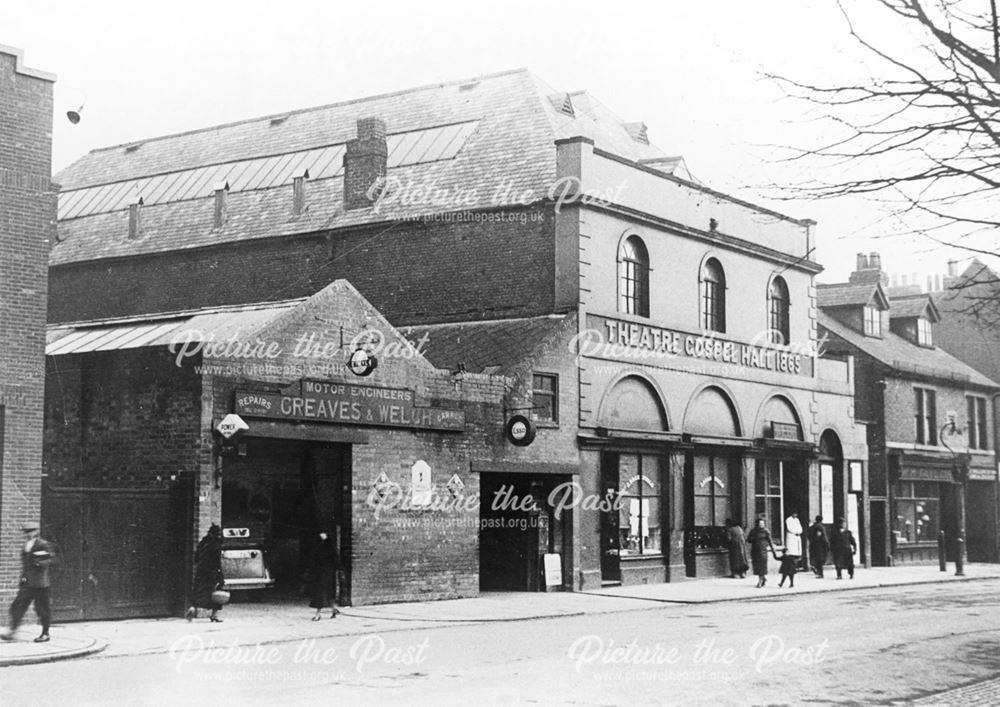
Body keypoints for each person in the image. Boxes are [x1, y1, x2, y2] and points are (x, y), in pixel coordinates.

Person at [1, 521, 55, 643]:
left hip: (40, 584)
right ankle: (12, 631)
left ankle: (45, 633)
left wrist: (38, 561)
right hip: (27, 583)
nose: (27, 534)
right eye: (26, 532)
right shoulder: (27, 545)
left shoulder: (43, 544)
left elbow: (47, 561)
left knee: (42, 609)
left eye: (30, 531)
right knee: (17, 606)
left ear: (36, 531)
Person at [186, 524, 225, 622]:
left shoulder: (203, 543)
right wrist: (220, 575)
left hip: (201, 571)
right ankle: (214, 615)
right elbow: (217, 562)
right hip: (212, 572)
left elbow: (196, 558)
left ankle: (192, 608)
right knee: (217, 592)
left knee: (199, 591)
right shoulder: (216, 545)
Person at [308, 527, 340, 620]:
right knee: (325, 593)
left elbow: (335, 560)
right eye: (321, 533)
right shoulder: (318, 545)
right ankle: (333, 610)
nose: (322, 535)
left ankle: (318, 614)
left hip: (327, 573)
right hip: (320, 573)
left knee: (321, 593)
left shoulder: (330, 547)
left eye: (324, 533)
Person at [746, 518, 776, 588]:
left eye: (762, 523)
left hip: (763, 551)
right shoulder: (753, 531)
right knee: (757, 566)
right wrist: (752, 538)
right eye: (760, 523)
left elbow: (770, 541)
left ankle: (760, 581)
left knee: (762, 565)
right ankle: (763, 578)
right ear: (757, 524)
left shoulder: (766, 531)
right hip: (755, 551)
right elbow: (749, 540)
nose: (761, 525)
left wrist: (773, 550)